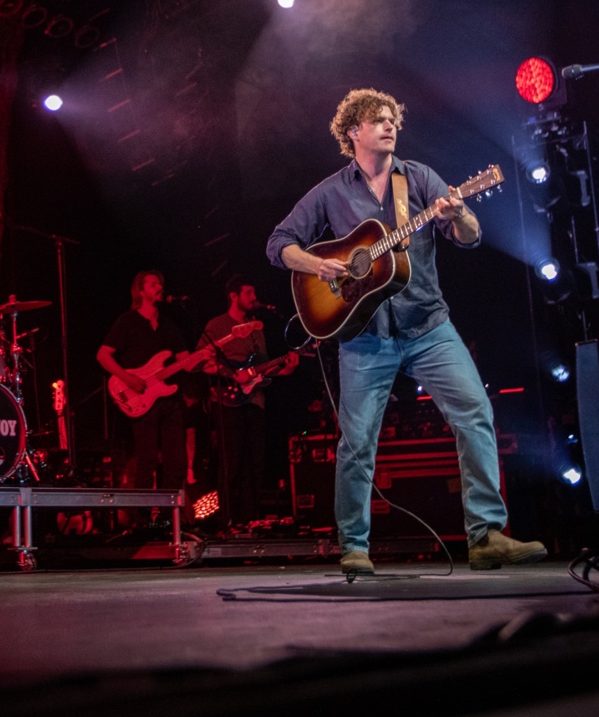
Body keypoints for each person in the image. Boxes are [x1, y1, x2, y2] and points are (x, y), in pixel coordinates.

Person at [265, 89, 545, 573]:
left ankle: (485, 536)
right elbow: (278, 244)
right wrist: (320, 264)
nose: (390, 125)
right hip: (364, 335)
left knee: (475, 413)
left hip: (427, 325)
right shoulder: (331, 192)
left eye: (394, 119)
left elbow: (470, 238)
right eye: (378, 119)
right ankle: (353, 546)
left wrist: (459, 214)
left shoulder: (418, 179)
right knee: (356, 442)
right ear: (353, 131)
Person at [199, 275, 299, 531]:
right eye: (249, 292)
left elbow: (261, 368)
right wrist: (233, 374)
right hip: (227, 402)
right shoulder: (217, 325)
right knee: (231, 464)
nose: (254, 297)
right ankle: (226, 523)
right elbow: (203, 363)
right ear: (233, 295)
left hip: (255, 401)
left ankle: (250, 521)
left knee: (255, 463)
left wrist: (284, 369)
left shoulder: (257, 327)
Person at [97, 270, 190, 494]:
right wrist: (128, 378)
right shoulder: (127, 322)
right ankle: (144, 521)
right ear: (140, 291)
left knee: (177, 463)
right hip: (142, 399)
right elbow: (103, 355)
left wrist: (206, 355)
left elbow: (186, 363)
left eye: (160, 283)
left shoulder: (169, 326)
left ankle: (168, 520)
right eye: (153, 284)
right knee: (146, 462)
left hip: (171, 402)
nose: (160, 287)